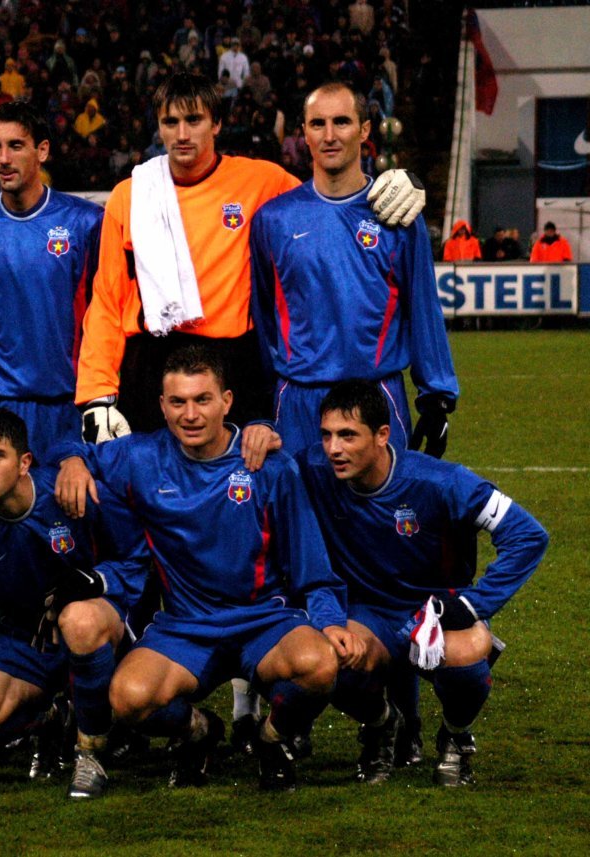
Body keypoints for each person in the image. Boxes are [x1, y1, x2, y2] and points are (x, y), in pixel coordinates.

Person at [54, 347, 358, 791]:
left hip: (263, 621)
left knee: (320, 665)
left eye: (203, 400)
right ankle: (199, 731)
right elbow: (65, 445)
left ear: (227, 401)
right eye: (178, 402)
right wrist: (72, 461)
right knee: (128, 698)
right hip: (186, 627)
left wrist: (329, 622)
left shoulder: (269, 466)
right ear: (162, 406)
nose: (191, 414)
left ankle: (270, 739)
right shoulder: (141, 457)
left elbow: (312, 564)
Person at [76, 71, 425, 442]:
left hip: (233, 363)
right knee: (150, 476)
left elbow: (331, 201)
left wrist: (402, 182)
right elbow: (108, 300)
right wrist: (97, 395)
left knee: (241, 477)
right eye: (170, 122)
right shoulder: (131, 195)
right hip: (151, 364)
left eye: (193, 120)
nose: (182, 134)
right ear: (158, 127)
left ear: (216, 124)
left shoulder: (263, 181)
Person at [297, 380, 548, 786]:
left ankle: (455, 735)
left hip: (436, 614)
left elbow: (528, 535)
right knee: (325, 659)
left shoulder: (442, 482)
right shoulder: (312, 470)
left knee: (467, 663)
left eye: (347, 435)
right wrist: (259, 432)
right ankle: (382, 723)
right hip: (368, 615)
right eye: (326, 435)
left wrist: (473, 605)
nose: (333, 449)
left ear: (382, 435)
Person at [0, 409, 147, 801]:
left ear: (25, 462)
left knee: (80, 622)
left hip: (95, 623)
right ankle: (51, 717)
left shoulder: (67, 493)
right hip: (26, 637)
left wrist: (98, 581)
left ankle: (90, 752)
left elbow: (136, 555)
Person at [250, 81, 459, 459]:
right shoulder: (273, 219)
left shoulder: (397, 215)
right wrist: (259, 407)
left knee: (380, 500)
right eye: (318, 124)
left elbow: (423, 308)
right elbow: (263, 320)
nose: (329, 135)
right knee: (299, 500)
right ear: (304, 133)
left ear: (364, 130)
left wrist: (436, 396)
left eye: (342, 122)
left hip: (376, 398)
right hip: (297, 402)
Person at [0, 100, 103, 480]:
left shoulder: (85, 223)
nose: (3, 158)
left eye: (15, 145)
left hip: (67, 411)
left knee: (70, 518)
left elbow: (107, 319)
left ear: (42, 150)